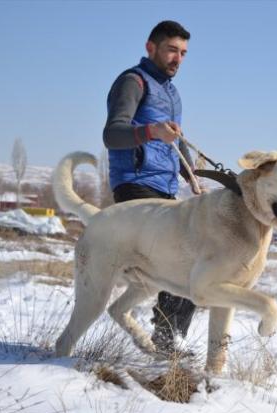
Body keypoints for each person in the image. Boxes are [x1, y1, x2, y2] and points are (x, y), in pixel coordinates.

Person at [103, 20, 198, 354]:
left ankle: (170, 337)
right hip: (135, 186)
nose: (178, 59)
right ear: (150, 47)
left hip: (164, 188)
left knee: (196, 255)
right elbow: (112, 134)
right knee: (181, 258)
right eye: (172, 50)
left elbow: (175, 139)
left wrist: (191, 173)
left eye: (183, 53)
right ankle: (167, 338)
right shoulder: (133, 82)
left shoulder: (171, 93)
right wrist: (151, 132)